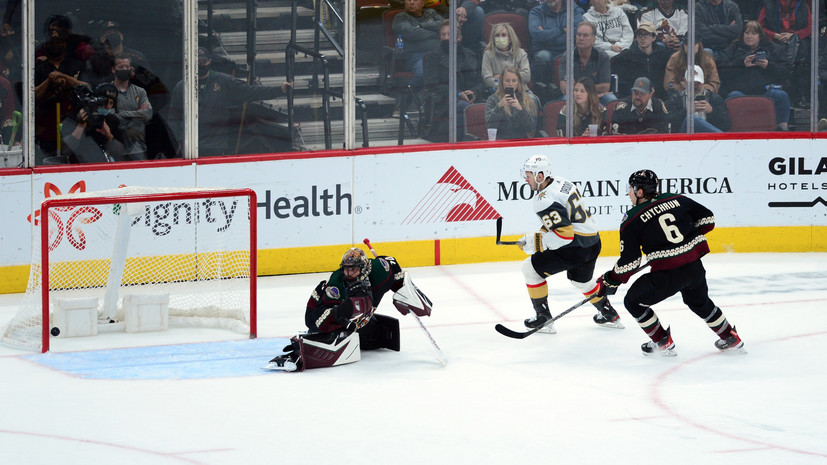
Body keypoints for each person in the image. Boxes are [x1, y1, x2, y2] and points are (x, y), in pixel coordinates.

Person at [594, 169, 745, 356]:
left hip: (668, 276)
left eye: (631, 189)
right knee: (699, 301)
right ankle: (730, 337)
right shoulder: (677, 199)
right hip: (694, 268)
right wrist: (687, 239)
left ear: (640, 192)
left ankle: (662, 342)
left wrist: (609, 279)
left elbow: (630, 263)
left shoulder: (631, 219)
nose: (629, 193)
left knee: (633, 302)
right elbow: (708, 220)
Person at [265, 247, 433, 372]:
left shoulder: (379, 271)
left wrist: (404, 291)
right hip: (327, 315)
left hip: (364, 321)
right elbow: (319, 321)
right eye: (346, 268)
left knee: (372, 336)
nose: (348, 273)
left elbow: (391, 263)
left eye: (353, 269)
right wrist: (344, 310)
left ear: (365, 268)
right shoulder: (337, 284)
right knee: (313, 324)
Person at [516, 154, 623, 334]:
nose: (525, 179)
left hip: (575, 248)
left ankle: (543, 318)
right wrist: (539, 235)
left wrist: (535, 242)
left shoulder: (543, 200)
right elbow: (562, 222)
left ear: (540, 176)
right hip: (593, 242)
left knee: (530, 269)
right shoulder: (561, 182)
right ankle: (609, 314)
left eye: (528, 175)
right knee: (582, 281)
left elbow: (563, 236)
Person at [168, 47, 292, 157]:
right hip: (191, 148)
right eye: (198, 62)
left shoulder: (223, 81)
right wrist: (179, 141)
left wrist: (279, 90)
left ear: (210, 61)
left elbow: (250, 91)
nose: (201, 65)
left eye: (203, 62)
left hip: (215, 146)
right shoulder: (182, 86)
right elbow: (174, 117)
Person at [716, 21, 791, 130]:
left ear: (760, 36)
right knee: (733, 96)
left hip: (766, 91)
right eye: (747, 33)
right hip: (740, 91)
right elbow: (721, 70)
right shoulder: (733, 48)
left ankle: (782, 128)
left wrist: (768, 66)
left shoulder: (772, 48)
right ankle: (733, 129)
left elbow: (785, 71)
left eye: (753, 33)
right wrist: (742, 64)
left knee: (781, 95)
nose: (749, 36)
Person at [34, 15, 89, 159]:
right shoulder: (36, 65)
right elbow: (30, 97)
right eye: (52, 40)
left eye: (60, 41)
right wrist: (49, 80)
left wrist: (64, 77)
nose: (55, 43)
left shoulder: (76, 65)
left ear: (66, 43)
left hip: (73, 128)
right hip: (43, 132)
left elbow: (87, 87)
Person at [422, 19, 484, 141]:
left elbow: (480, 82)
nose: (446, 38)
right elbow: (432, 85)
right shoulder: (433, 57)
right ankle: (463, 142)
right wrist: (458, 94)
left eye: (449, 34)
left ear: (459, 37)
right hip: (445, 102)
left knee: (492, 104)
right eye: (443, 35)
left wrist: (474, 92)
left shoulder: (470, 55)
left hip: (472, 98)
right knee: (463, 106)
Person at [757, 0, 812, 108]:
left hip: (797, 43)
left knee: (803, 58)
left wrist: (793, 35)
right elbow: (759, 27)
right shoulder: (768, 5)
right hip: (774, 42)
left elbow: (810, 28)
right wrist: (775, 35)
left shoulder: (803, 6)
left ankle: (800, 96)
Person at [60, 84, 125, 163]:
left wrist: (109, 136)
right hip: (78, 166)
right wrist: (80, 127)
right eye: (104, 102)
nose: (107, 106)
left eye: (111, 103)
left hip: (102, 165)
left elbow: (119, 154)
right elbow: (66, 151)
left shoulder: (113, 121)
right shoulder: (74, 117)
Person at [528, 0, 585, 87]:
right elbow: (536, 34)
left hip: (568, 49)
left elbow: (577, 32)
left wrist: (547, 35)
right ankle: (544, 91)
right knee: (542, 56)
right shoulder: (536, 12)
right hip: (546, 50)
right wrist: (562, 30)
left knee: (582, 54)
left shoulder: (574, 9)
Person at [560, 21, 617, 105]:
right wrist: (589, 90)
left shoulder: (602, 57)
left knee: (611, 99)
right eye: (579, 35)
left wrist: (576, 86)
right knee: (566, 99)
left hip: (597, 97)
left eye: (585, 35)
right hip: (576, 96)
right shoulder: (567, 57)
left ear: (593, 40)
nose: (581, 38)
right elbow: (564, 89)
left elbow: (605, 87)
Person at [611, 22, 672, 99]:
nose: (642, 38)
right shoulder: (626, 56)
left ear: (653, 37)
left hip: (659, 96)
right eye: (640, 35)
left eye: (646, 35)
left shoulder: (663, 55)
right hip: (634, 96)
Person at [392, 0, 444, 89]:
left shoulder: (431, 13)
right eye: (408, 0)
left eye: (415, 0)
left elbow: (444, 25)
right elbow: (413, 34)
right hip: (416, 56)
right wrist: (436, 33)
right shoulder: (400, 18)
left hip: (439, 53)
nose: (412, 2)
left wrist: (422, 26)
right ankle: (409, 97)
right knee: (423, 73)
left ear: (423, 3)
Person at [112, 54, 153, 159]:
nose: (124, 69)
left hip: (138, 148)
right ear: (113, 69)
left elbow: (148, 114)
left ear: (131, 69)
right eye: (121, 67)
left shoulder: (140, 92)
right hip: (116, 149)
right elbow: (111, 118)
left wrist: (121, 114)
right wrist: (137, 113)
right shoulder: (107, 91)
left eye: (127, 67)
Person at [666, 65, 730, 132]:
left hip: (709, 138)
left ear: (703, 82)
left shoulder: (714, 98)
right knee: (693, 119)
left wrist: (712, 111)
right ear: (684, 81)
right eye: (692, 83)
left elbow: (726, 125)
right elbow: (669, 124)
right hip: (684, 138)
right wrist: (685, 112)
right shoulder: (676, 98)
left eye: (698, 83)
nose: (695, 86)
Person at [485, 66, 537, 140]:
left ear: (518, 82)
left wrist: (520, 109)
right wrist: (499, 107)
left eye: (514, 81)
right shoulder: (493, 99)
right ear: (502, 82)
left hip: (521, 141)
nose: (510, 84)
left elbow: (530, 127)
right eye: (507, 81)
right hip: (501, 142)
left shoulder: (527, 100)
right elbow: (490, 125)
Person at [481, 22, 530, 93]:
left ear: (510, 38)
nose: (500, 38)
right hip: (498, 93)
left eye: (503, 35)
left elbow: (526, 77)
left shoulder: (521, 53)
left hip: (522, 92)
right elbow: (488, 81)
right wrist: (516, 76)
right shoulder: (488, 54)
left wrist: (499, 77)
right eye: (497, 35)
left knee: (533, 101)